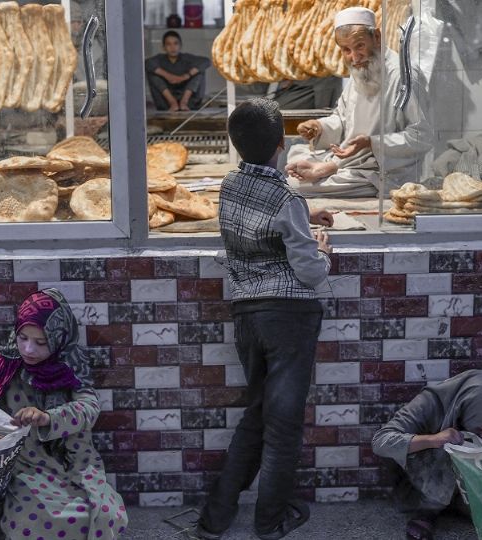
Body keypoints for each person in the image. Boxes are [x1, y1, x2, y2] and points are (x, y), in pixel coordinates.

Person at [194, 98, 333, 540]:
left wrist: (302, 219)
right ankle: (269, 523)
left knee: (257, 414)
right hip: (288, 317)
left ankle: (214, 519)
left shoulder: (230, 184)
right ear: (281, 144)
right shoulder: (287, 196)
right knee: (283, 427)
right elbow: (309, 272)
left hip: (248, 314)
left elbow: (258, 222)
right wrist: (323, 251)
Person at [0, 288, 128, 540]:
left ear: (58, 338)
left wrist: (47, 417)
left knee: (103, 514)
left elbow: (88, 408)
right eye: (23, 338)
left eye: (41, 342)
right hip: (25, 463)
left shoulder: (71, 366)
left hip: (73, 461)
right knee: (34, 519)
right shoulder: (5, 365)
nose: (28, 349)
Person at [371, 370, 482, 540]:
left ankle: (470, 507)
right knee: (451, 445)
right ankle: (428, 511)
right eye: (481, 429)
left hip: (478, 484)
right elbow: (381, 440)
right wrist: (433, 439)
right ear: (470, 411)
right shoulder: (430, 402)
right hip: (428, 484)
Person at [285, 6, 433, 198]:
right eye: (346, 50)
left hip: (381, 171)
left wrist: (372, 143)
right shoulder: (361, 70)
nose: (354, 57)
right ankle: (328, 167)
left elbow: (422, 136)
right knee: (296, 156)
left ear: (377, 37)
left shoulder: (404, 76)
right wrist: (320, 127)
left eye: (360, 46)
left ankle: (328, 168)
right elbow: (343, 118)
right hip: (350, 161)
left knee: (295, 186)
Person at [145, 30, 212, 111]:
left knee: (199, 72)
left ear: (180, 46)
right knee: (153, 73)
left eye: (176, 44)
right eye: (168, 44)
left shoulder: (186, 58)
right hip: (166, 103)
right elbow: (147, 63)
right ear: (163, 47)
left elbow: (206, 61)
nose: (173, 47)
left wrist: (185, 76)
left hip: (189, 102)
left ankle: (184, 102)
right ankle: (173, 102)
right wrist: (169, 76)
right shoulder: (159, 59)